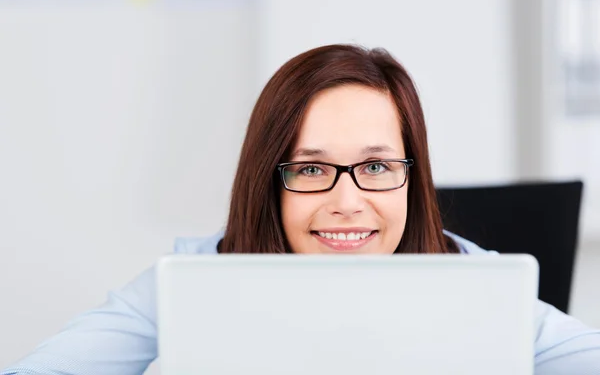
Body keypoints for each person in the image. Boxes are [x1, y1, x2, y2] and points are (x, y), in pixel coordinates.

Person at [2, 44, 599, 375]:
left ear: (411, 180)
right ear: (271, 182)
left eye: (377, 166)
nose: (347, 202)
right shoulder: (195, 281)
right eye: (311, 169)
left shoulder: (480, 286)